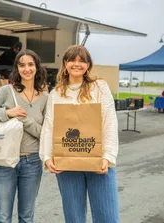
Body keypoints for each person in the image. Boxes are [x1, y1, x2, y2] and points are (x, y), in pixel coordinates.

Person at [40, 45, 119, 223]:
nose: (77, 64)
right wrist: (46, 156)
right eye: (73, 60)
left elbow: (109, 121)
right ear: (65, 63)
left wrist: (107, 155)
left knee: (107, 217)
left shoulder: (100, 87)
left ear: (88, 65)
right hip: (67, 165)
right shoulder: (56, 93)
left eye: (82, 60)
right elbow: (49, 126)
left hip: (98, 162)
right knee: (74, 218)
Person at [0, 49, 48, 223]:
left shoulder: (46, 97)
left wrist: (25, 120)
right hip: (3, 161)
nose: (27, 69)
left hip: (32, 162)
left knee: (27, 216)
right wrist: (7, 113)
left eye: (31, 64)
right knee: (3, 216)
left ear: (37, 68)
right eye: (22, 65)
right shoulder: (6, 91)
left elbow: (45, 134)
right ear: (17, 68)